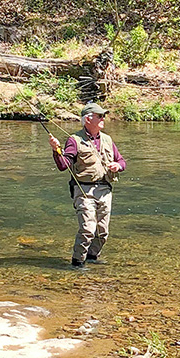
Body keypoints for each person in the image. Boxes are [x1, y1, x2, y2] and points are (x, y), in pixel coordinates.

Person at [49, 102, 126, 267]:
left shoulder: (107, 139)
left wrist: (117, 166)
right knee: (88, 229)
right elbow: (64, 165)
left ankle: (92, 258)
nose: (103, 118)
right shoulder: (74, 140)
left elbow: (121, 161)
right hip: (83, 190)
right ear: (88, 119)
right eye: (99, 116)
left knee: (102, 232)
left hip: (105, 190)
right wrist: (56, 150)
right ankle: (77, 263)